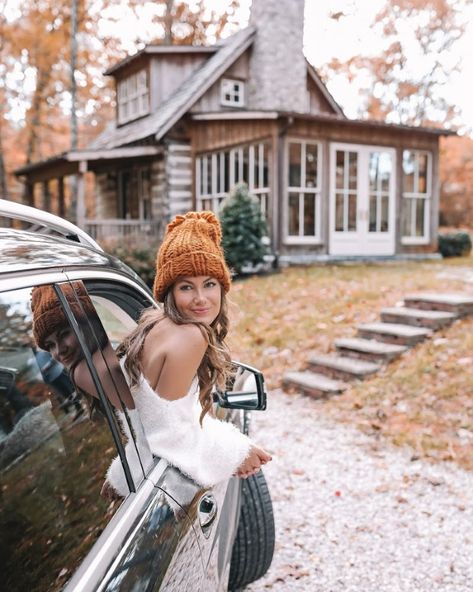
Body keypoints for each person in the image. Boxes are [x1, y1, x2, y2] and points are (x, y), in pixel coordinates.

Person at [104, 211, 272, 497]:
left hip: (131, 478)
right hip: (146, 484)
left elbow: (168, 415)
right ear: (169, 292)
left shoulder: (155, 323)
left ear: (222, 287)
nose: (200, 298)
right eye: (186, 287)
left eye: (209, 283)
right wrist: (235, 452)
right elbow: (168, 437)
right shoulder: (191, 336)